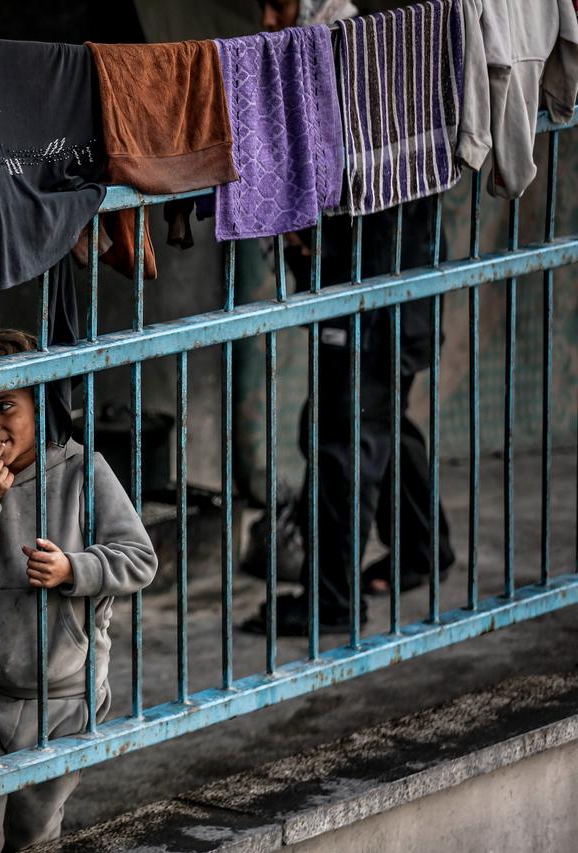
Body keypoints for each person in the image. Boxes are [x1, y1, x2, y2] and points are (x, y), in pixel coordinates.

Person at [247, 0, 456, 637]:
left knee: (342, 435)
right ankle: (424, 551)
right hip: (397, 281)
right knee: (377, 416)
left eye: (278, 5)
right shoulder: (381, 54)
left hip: (373, 285)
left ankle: (330, 602)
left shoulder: (345, 55)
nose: (265, 22)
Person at [0, 330, 158, 853]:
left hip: (67, 693)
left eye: (5, 406)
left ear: (41, 403)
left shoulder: (83, 471)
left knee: (35, 831)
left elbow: (140, 558)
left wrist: (76, 568)